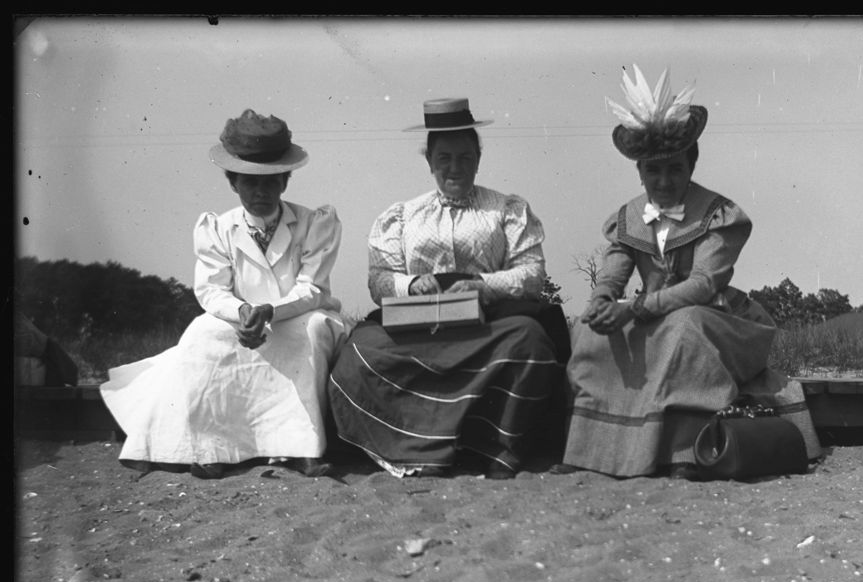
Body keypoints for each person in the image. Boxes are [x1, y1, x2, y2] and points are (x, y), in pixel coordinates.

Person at [555, 66, 818, 479]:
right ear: (639, 171)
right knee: (588, 332)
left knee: (684, 330)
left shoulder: (718, 214)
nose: (663, 180)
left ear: (691, 167)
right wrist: (603, 299)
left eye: (674, 169)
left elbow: (703, 284)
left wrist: (636, 308)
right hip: (653, 314)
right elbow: (616, 265)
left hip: (718, 317)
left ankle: (685, 453)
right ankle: (592, 453)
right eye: (653, 170)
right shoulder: (629, 218)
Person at [101, 109, 350, 479]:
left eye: (270, 181)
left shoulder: (315, 223)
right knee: (203, 334)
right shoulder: (217, 228)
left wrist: (271, 311)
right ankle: (209, 446)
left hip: (299, 314)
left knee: (307, 333)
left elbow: (311, 288)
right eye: (250, 182)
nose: (261, 192)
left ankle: (302, 447)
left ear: (286, 180)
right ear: (233, 182)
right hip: (241, 316)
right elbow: (211, 289)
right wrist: (243, 311)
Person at [328, 97, 568, 480]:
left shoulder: (505, 209)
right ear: (429, 162)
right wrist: (410, 284)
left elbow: (532, 273)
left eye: (464, 157)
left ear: (478, 157)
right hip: (419, 324)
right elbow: (379, 281)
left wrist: (482, 285)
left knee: (530, 341)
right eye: (444, 159)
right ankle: (411, 446)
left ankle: (497, 446)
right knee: (359, 353)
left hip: (487, 322)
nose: (455, 168)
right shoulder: (402, 215)